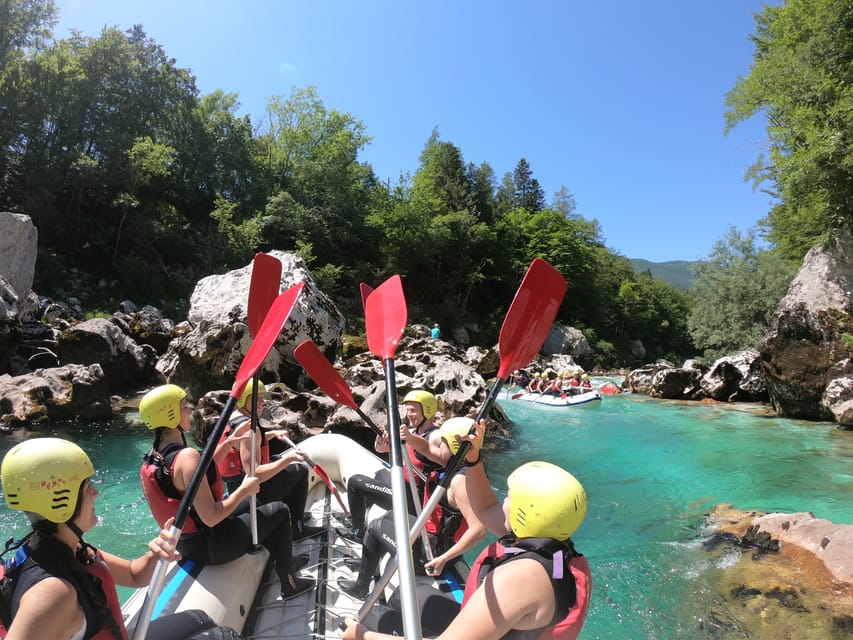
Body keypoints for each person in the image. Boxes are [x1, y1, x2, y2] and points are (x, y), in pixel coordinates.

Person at [340, 419, 592, 640]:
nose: (503, 501)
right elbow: (485, 508)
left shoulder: (518, 580)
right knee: (399, 599)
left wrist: (363, 636)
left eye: (510, 499)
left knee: (373, 617)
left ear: (528, 513)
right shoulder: (553, 549)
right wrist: (474, 460)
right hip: (497, 626)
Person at [0, 437, 243, 639]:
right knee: (225, 636)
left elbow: (135, 574)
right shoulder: (52, 591)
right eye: (87, 488)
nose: (95, 493)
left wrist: (156, 552)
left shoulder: (67, 549)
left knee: (200, 619)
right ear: (60, 504)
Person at [138, 384, 313, 601]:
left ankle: (281, 558)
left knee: (256, 505)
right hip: (212, 545)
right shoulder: (186, 457)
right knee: (279, 511)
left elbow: (198, 473)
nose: (190, 411)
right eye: (184, 406)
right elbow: (211, 518)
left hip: (187, 544)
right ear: (169, 413)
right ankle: (289, 583)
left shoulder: (153, 458)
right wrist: (242, 490)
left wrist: (228, 443)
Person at [337, 417, 487, 600]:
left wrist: (443, 559)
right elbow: (425, 448)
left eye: (443, 443)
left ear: (456, 447)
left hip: (432, 552)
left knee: (376, 527)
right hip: (428, 536)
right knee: (392, 516)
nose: (438, 447)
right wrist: (407, 436)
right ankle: (368, 564)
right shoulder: (456, 464)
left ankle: (360, 588)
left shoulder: (460, 481)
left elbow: (479, 529)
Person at [336, 390, 449, 544]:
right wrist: (381, 440)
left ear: (427, 411)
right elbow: (381, 449)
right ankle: (356, 516)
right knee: (381, 473)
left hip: (411, 498)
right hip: (401, 484)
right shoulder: (410, 431)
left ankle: (357, 532)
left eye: (413, 410)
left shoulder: (435, 435)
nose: (409, 414)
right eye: (407, 410)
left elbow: (442, 457)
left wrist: (409, 438)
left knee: (355, 483)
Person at [216, 379, 323, 541]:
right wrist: (289, 458)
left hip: (234, 487)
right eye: (257, 398)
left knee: (275, 459)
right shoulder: (250, 428)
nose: (263, 402)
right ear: (244, 400)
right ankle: (297, 527)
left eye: (262, 397)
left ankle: (292, 513)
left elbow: (244, 443)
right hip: (251, 494)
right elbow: (253, 474)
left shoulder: (234, 417)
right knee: (299, 470)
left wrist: (272, 434)